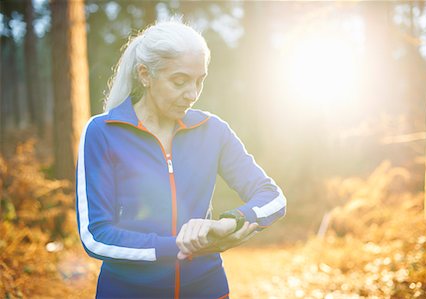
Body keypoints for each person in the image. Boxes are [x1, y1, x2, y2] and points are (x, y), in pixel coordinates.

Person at [76, 18, 286, 299]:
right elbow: (96, 236)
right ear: (145, 75)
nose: (192, 95)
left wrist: (230, 222)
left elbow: (271, 197)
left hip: (207, 290)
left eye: (200, 81)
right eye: (180, 81)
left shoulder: (212, 130)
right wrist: (179, 247)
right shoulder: (102, 132)